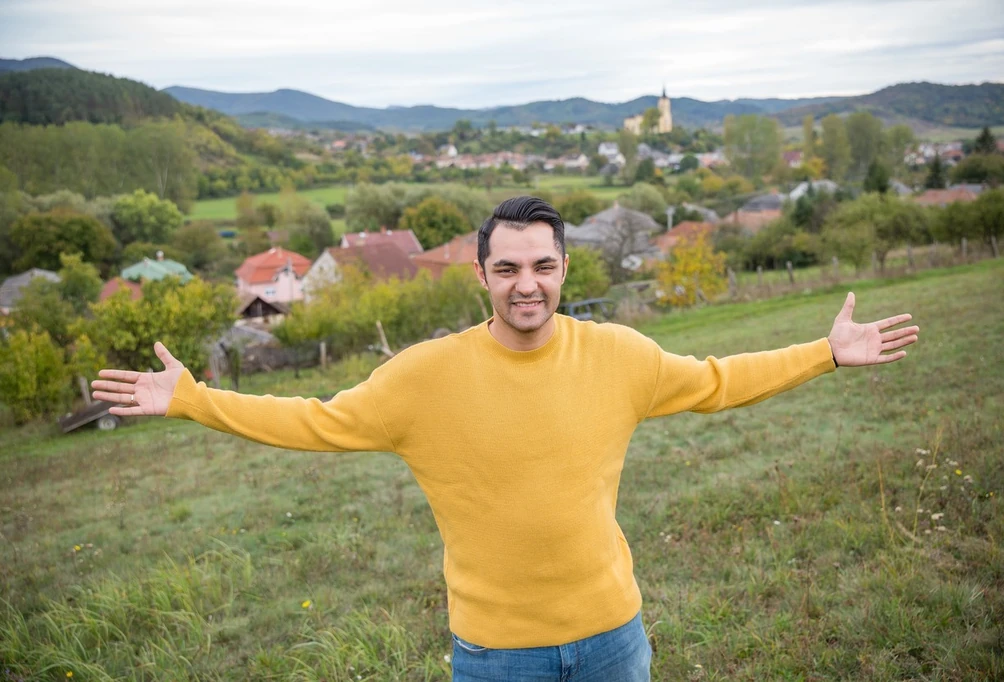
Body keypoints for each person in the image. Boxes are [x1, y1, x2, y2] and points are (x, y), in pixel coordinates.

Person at [92, 196, 918, 681]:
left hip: (613, 641)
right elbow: (314, 420)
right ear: (482, 274)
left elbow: (716, 380)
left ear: (565, 269)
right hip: (495, 658)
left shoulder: (620, 356)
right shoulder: (424, 377)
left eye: (544, 266)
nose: (528, 284)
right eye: (509, 268)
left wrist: (825, 354)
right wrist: (196, 400)